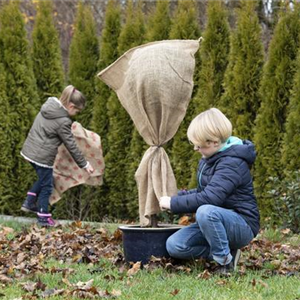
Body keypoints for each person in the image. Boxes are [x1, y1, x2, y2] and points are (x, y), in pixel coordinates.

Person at [159, 108, 260, 275]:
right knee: (175, 245)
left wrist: (173, 203)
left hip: (242, 224)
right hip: (216, 221)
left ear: (214, 142)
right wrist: (176, 196)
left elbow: (210, 198)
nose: (195, 149)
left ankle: (225, 263)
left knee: (205, 211)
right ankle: (228, 254)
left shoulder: (232, 164)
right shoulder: (210, 158)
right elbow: (203, 191)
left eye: (199, 145)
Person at [20, 85, 94, 227]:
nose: (76, 114)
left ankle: (29, 201)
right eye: (77, 111)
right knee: (47, 186)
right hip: (42, 157)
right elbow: (71, 145)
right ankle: (43, 218)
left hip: (30, 151)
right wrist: (85, 164)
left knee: (44, 178)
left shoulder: (49, 106)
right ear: (71, 106)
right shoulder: (63, 121)